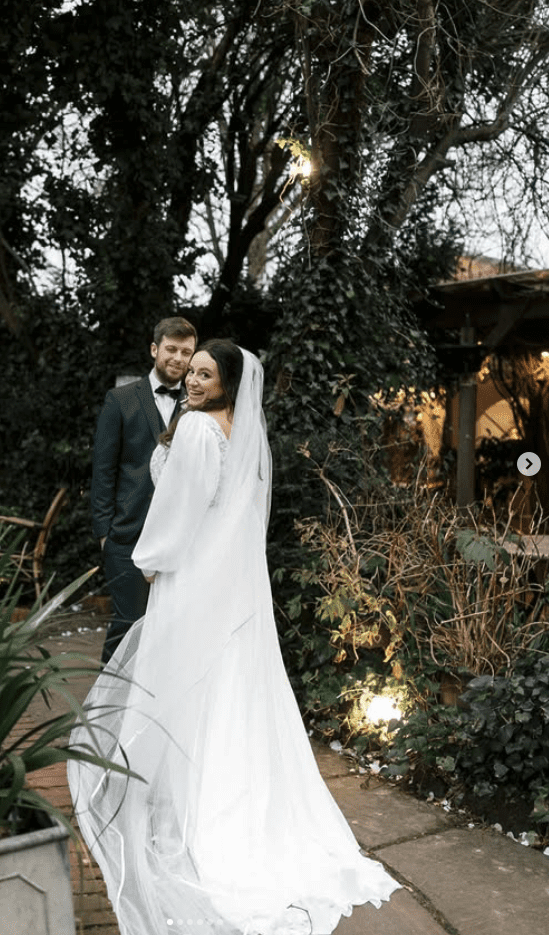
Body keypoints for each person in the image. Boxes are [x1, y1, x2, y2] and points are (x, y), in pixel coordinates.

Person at [69, 340, 401, 935]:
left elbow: (179, 507)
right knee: (229, 686)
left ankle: (194, 808)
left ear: (227, 381)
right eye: (190, 371)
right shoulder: (240, 428)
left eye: (204, 373)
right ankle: (234, 798)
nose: (193, 381)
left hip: (192, 573)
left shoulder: (196, 430)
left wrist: (150, 558)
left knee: (184, 679)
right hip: (233, 582)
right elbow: (239, 514)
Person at [91, 317, 197, 663]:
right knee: (127, 627)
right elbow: (103, 471)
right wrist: (105, 533)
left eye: (186, 352)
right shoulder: (120, 400)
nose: (178, 359)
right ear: (155, 350)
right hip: (127, 535)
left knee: (170, 629)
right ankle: (105, 713)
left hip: (180, 539)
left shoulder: (198, 404)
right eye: (171, 349)